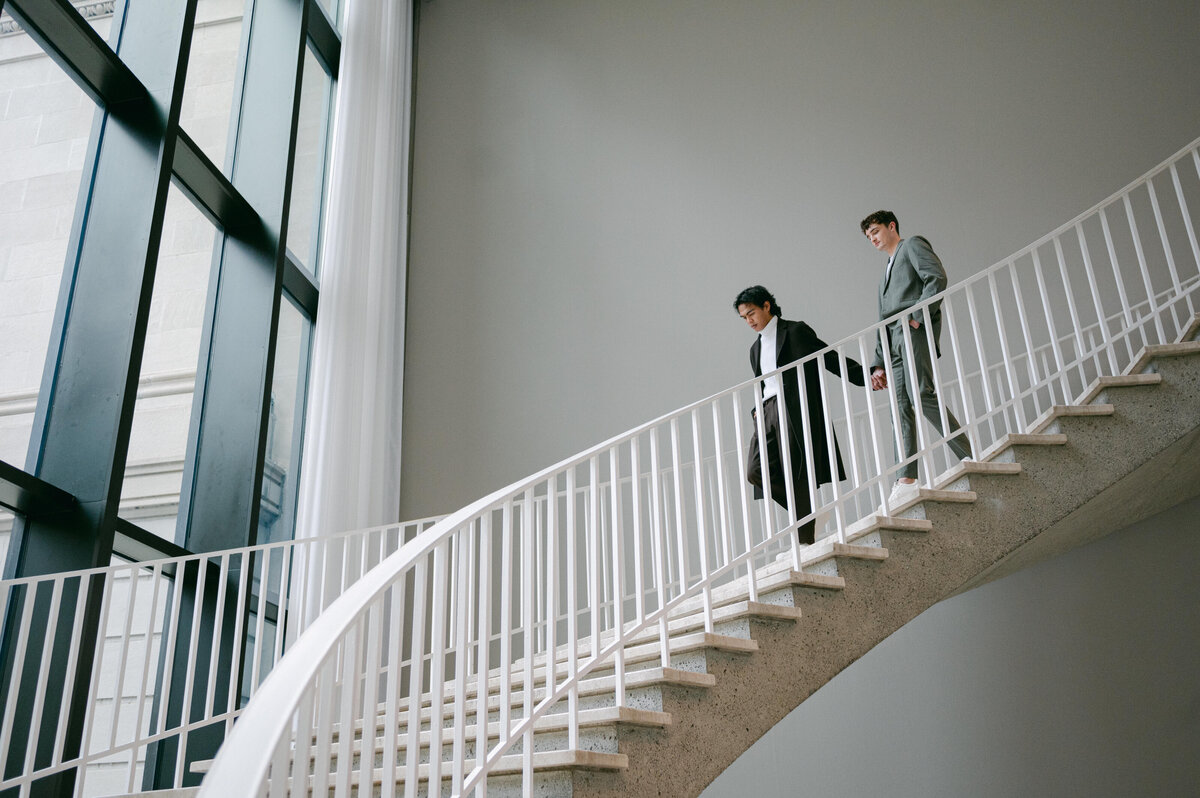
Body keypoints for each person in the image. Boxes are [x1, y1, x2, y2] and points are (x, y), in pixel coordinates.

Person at [734, 286, 865, 545]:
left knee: (797, 474)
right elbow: (763, 384)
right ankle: (809, 521)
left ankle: (806, 540)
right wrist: (756, 413)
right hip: (766, 411)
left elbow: (826, 356)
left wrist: (863, 376)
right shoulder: (755, 349)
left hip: (793, 408)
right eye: (744, 318)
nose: (749, 321)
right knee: (755, 471)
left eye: (751, 313)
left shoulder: (795, 331)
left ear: (766, 306)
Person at [860, 210, 973, 509]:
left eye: (875, 231)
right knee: (900, 408)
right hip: (892, 340)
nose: (872, 238)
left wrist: (916, 317)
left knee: (921, 394)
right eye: (868, 236)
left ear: (891, 226)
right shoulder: (884, 271)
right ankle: (906, 479)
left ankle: (968, 454)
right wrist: (878, 362)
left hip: (911, 331)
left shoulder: (911, 246)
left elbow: (936, 278)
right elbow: (882, 318)